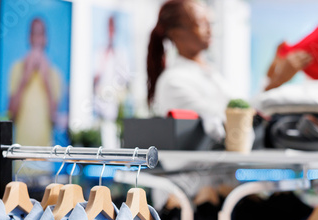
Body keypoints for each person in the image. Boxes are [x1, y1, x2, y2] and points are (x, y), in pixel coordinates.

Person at [147, 0, 231, 142]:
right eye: (201, 23)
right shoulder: (173, 82)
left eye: (210, 23)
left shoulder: (212, 74)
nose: (210, 30)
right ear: (176, 33)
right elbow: (229, 120)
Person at [8, 18, 62, 147]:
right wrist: (25, 77)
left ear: (45, 39)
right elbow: (11, 115)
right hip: (21, 154)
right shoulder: (17, 68)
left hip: (44, 155)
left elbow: (54, 119)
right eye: (34, 33)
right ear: (29, 38)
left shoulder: (55, 74)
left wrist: (46, 80)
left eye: (41, 34)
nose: (37, 39)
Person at [93, 15, 131, 148]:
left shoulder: (120, 52)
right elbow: (96, 75)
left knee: (113, 131)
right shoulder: (100, 51)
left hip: (115, 99)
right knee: (104, 129)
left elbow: (125, 78)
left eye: (112, 27)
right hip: (101, 98)